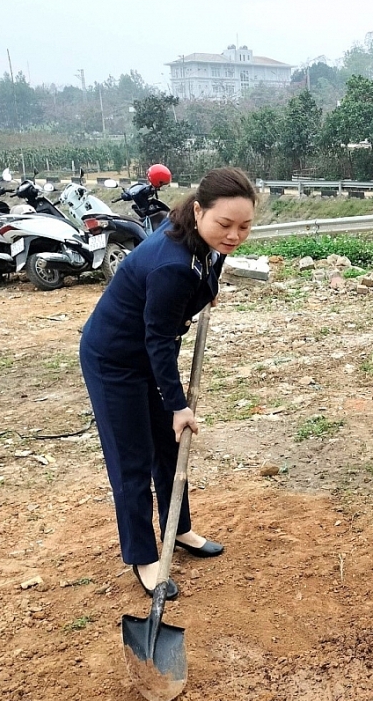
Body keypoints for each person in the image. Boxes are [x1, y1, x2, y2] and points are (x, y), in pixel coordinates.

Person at [79, 167, 257, 599]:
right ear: (198, 211)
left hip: (150, 352)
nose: (234, 235)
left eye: (245, 226)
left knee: (169, 448)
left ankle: (178, 529)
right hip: (115, 360)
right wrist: (178, 405)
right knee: (133, 459)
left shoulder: (201, 239)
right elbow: (158, 340)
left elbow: (205, 271)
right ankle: (143, 555)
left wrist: (207, 287)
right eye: (225, 224)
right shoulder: (172, 265)